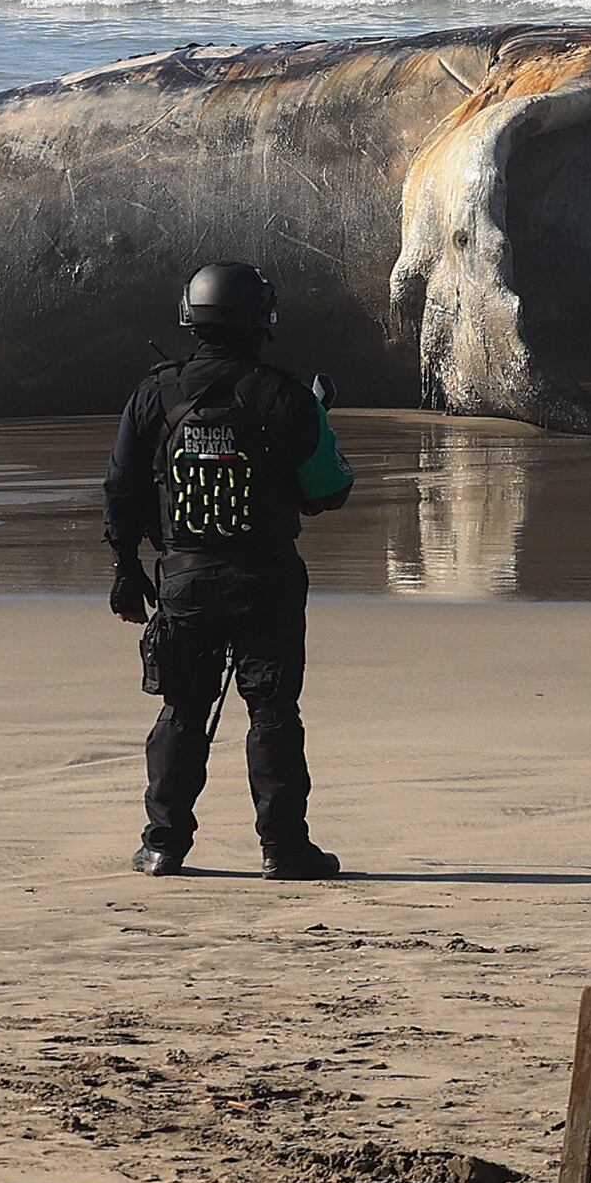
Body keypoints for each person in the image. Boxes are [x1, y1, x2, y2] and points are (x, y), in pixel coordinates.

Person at [103, 261, 354, 880]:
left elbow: (121, 489)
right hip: (266, 579)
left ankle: (164, 844)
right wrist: (319, 421)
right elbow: (330, 491)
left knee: (183, 711)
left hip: (183, 580)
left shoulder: (154, 395)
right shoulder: (285, 395)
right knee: (271, 713)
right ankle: (284, 850)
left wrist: (124, 570)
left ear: (191, 316)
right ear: (262, 319)